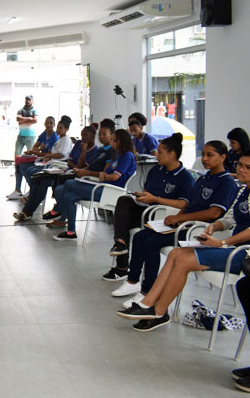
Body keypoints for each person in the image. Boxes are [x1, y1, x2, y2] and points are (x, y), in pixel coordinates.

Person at [116, 150, 250, 332]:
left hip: (243, 254)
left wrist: (222, 243)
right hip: (230, 246)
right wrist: (214, 227)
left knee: (183, 260)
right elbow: (229, 219)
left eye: (247, 167)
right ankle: (149, 304)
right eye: (240, 165)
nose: (240, 170)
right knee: (175, 253)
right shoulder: (243, 190)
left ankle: (158, 310)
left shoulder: (229, 184)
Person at [102, 133, 195, 281]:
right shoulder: (156, 170)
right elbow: (149, 190)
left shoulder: (185, 178)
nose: (156, 155)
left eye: (160, 152)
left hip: (164, 215)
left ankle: (122, 266)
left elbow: (183, 204)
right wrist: (144, 196)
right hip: (147, 208)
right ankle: (120, 245)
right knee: (124, 202)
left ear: (172, 154)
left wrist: (155, 199)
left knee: (124, 221)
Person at [52, 129, 137, 241]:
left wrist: (104, 176)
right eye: (112, 140)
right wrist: (103, 175)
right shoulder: (117, 155)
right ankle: (71, 232)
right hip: (102, 186)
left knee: (68, 183)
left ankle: (56, 211)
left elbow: (115, 177)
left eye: (115, 141)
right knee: (68, 196)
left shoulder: (127, 156)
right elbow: (106, 172)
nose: (112, 143)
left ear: (123, 142)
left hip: (109, 192)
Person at [14, 124, 97, 221]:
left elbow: (80, 167)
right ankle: (27, 212)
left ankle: (29, 212)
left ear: (92, 136)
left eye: (85, 135)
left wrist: (83, 152)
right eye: (82, 135)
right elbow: (70, 161)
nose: (83, 138)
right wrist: (74, 167)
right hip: (65, 170)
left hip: (74, 176)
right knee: (39, 180)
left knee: (44, 183)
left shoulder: (94, 150)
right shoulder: (78, 143)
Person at [43, 120, 115, 223]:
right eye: (100, 135)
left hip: (94, 182)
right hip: (85, 177)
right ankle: (69, 228)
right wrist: (81, 170)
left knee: (66, 184)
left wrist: (85, 172)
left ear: (112, 135)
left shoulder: (110, 152)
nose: (101, 137)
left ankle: (58, 212)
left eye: (104, 134)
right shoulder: (101, 150)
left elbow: (103, 173)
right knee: (59, 188)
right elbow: (87, 166)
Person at [18, 116, 74, 200]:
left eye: (60, 128)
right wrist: (42, 152)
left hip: (56, 165)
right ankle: (33, 193)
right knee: (27, 169)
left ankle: (35, 195)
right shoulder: (59, 139)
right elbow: (41, 148)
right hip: (49, 161)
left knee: (32, 172)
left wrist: (48, 155)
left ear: (66, 129)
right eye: (58, 128)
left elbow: (60, 155)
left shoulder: (65, 140)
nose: (58, 130)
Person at [8, 115, 58, 200]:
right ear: (44, 123)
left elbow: (48, 154)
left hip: (47, 161)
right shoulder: (44, 133)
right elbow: (35, 146)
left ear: (54, 125)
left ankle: (33, 190)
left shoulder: (54, 137)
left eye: (51, 123)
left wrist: (37, 151)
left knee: (25, 167)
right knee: (19, 162)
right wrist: (38, 150)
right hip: (40, 158)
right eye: (47, 123)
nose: (49, 125)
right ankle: (18, 190)